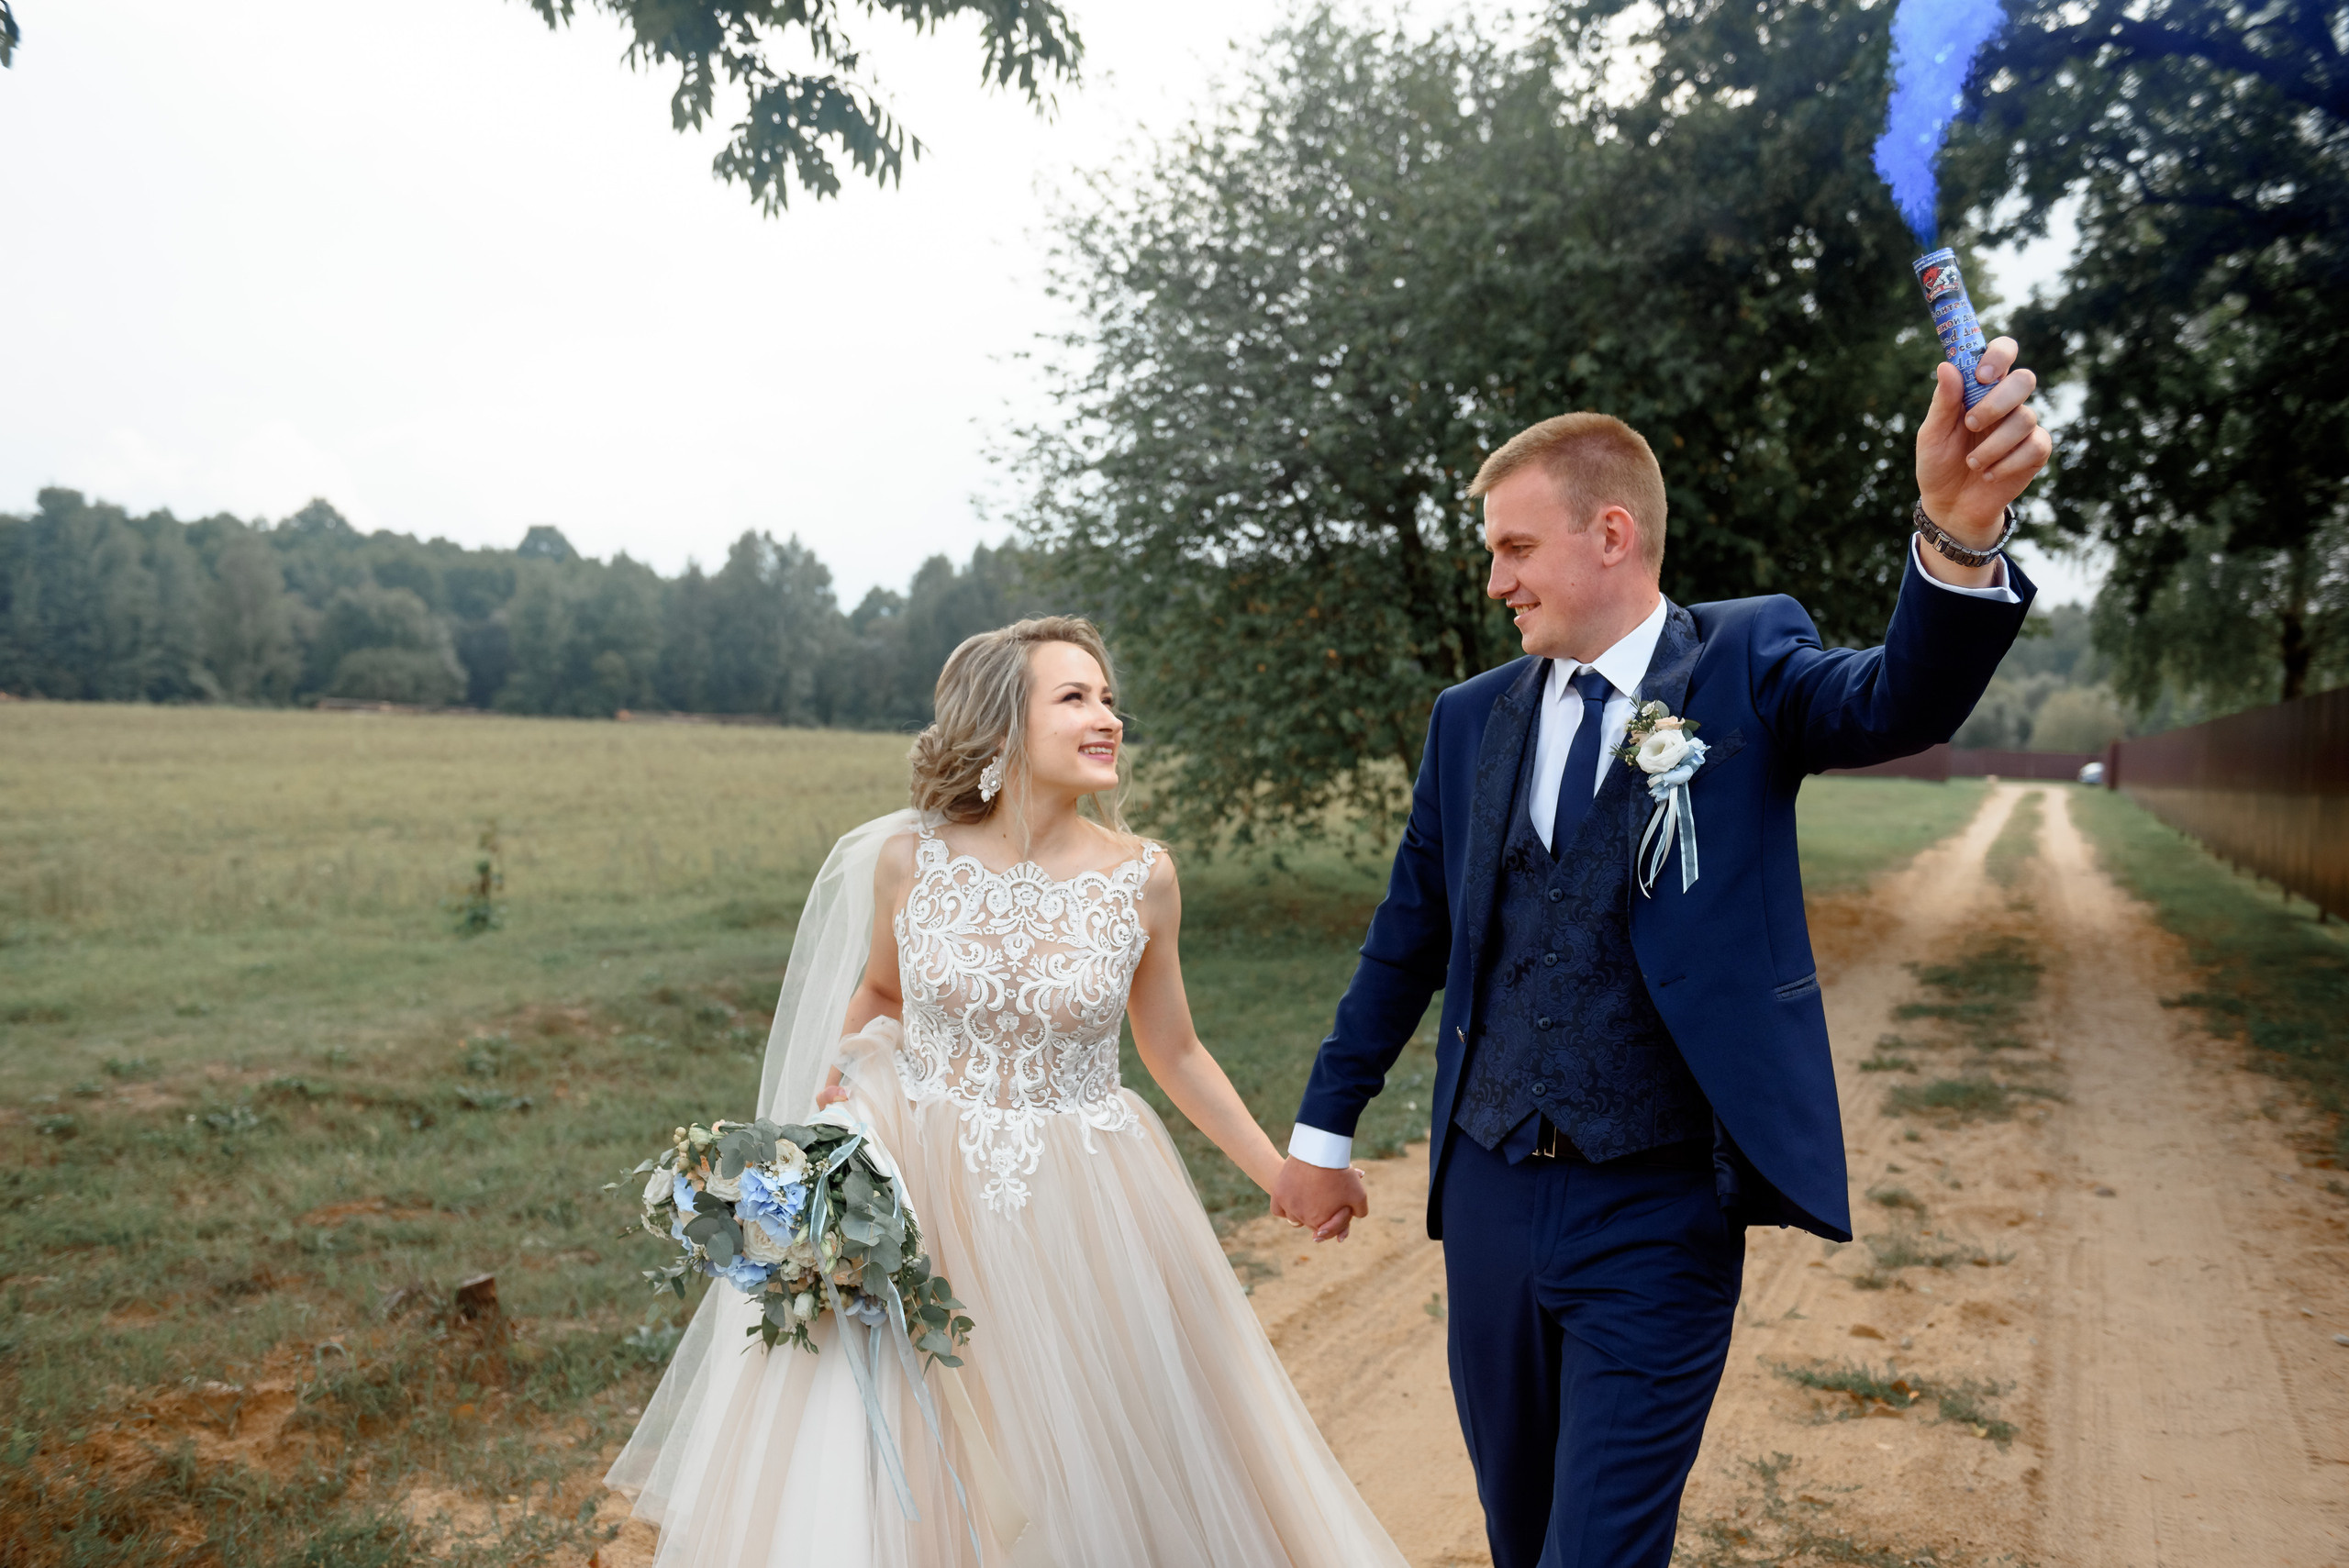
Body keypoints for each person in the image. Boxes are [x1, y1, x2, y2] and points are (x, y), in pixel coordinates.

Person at [1270, 342, 2053, 1568]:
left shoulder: (1743, 663)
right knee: (1522, 1536)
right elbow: (1406, 932)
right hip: (1485, 1196)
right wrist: (1323, 1133)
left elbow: (1896, 699)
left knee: (1601, 1550)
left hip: (1659, 1205)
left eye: (1513, 549)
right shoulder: (1468, 718)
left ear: (1610, 534)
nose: (1493, 581)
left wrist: (1955, 533)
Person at [607, 616, 1408, 1568]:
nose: (1106, 716)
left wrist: (1279, 1173)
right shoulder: (911, 858)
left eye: (1108, 697)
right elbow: (880, 992)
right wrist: (833, 1115)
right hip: (921, 1184)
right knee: (914, 1445)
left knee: (1088, 1442)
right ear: (999, 728)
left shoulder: (1142, 878)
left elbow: (1177, 1049)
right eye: (1074, 697)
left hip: (1087, 1195)